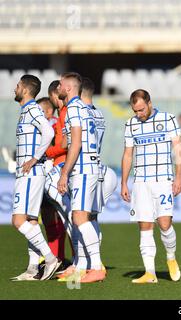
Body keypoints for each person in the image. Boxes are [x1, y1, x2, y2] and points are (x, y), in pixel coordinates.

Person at [121, 89, 181, 284]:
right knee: (145, 226)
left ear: (149, 102)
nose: (138, 114)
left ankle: (171, 257)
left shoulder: (168, 119)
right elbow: (128, 154)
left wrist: (179, 177)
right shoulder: (131, 124)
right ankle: (150, 273)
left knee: (165, 224)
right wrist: (124, 182)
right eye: (135, 111)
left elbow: (178, 149)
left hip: (163, 180)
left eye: (140, 109)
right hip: (141, 182)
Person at [10, 74, 60, 281]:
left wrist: (33, 158)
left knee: (18, 220)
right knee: (30, 220)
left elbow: (48, 132)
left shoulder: (32, 109)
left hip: (31, 173)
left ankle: (50, 259)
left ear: (25, 88)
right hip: (27, 173)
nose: (14, 88)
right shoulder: (26, 111)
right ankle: (32, 269)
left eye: (17, 85)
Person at [56, 72, 104, 283]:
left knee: (79, 218)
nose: (58, 86)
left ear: (68, 88)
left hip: (83, 168)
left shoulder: (74, 108)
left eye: (60, 84)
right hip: (88, 167)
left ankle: (96, 267)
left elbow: (76, 143)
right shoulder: (84, 108)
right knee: (80, 217)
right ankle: (84, 265)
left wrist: (64, 173)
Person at [81, 77, 118, 270]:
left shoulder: (81, 113)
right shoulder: (99, 114)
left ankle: (89, 262)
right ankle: (94, 262)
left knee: (81, 217)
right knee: (92, 217)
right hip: (99, 167)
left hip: (85, 168)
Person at [36, 97, 67, 264]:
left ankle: (59, 256)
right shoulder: (42, 125)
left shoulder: (55, 125)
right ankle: (54, 256)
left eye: (40, 111)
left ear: (48, 111)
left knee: (60, 216)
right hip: (42, 174)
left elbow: (60, 146)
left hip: (54, 173)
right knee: (48, 215)